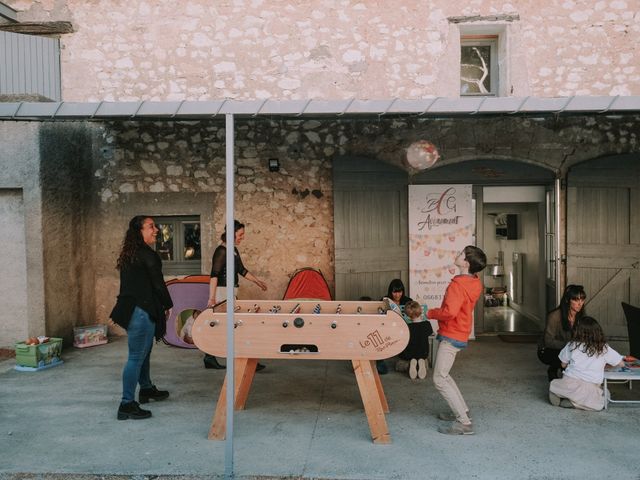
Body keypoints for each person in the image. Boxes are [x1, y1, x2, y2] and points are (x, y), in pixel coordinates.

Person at [110, 216, 174, 420]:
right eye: (151, 227)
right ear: (139, 231)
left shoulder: (130, 253)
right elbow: (158, 284)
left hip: (132, 310)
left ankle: (145, 388)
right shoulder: (147, 255)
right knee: (136, 357)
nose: (155, 230)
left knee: (143, 353)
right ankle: (126, 404)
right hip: (141, 311)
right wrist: (168, 304)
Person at [427, 245, 486, 435]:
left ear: (466, 263)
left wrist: (429, 312)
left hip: (452, 334)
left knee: (439, 379)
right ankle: (462, 410)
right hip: (460, 331)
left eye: (460, 254)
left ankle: (464, 422)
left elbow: (449, 312)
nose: (456, 254)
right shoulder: (473, 282)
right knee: (444, 374)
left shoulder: (457, 285)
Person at [204, 219, 268, 370]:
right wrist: (212, 297)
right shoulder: (221, 251)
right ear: (232, 234)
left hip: (231, 291)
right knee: (231, 326)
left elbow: (241, 270)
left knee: (231, 326)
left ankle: (212, 357)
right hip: (222, 292)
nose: (242, 237)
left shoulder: (233, 249)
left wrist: (257, 281)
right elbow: (214, 275)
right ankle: (215, 357)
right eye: (240, 234)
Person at [549, 316, 624, 410]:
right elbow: (620, 363)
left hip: (569, 381)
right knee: (605, 395)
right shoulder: (603, 348)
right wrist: (604, 366)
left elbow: (563, 364)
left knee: (558, 384)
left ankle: (559, 394)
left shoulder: (572, 345)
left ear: (578, 331)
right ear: (598, 332)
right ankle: (574, 403)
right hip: (590, 385)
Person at [537, 285, 586, 381]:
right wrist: (571, 346)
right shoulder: (555, 316)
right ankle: (554, 370)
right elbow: (548, 341)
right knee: (569, 355)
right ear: (568, 300)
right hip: (548, 350)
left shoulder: (581, 316)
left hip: (569, 348)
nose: (580, 303)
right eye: (576, 300)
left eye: (582, 299)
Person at [378, 279, 412, 375]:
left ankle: (409, 358)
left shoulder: (408, 301)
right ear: (391, 292)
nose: (397, 295)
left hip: (404, 328)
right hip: (388, 328)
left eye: (399, 292)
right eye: (395, 292)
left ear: (403, 291)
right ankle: (379, 360)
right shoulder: (384, 300)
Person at [400, 300, 433, 380]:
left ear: (408, 315)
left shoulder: (407, 326)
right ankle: (421, 360)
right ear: (420, 311)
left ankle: (413, 361)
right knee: (422, 354)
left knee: (408, 353)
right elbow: (431, 333)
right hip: (423, 352)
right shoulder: (426, 324)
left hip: (409, 353)